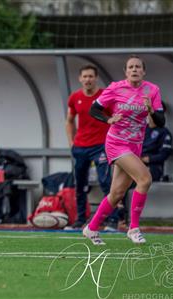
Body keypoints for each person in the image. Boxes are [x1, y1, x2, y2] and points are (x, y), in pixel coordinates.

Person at [83, 55, 165, 245]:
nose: (134, 69)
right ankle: (134, 228)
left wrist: (151, 110)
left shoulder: (152, 90)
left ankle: (91, 228)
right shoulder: (116, 88)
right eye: (131, 67)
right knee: (145, 179)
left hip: (135, 145)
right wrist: (108, 119)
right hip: (116, 143)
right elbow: (94, 109)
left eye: (138, 67)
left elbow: (161, 122)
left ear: (143, 71)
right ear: (126, 72)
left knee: (117, 193)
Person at [65, 65, 119, 231]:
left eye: (90, 76)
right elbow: (69, 120)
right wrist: (71, 142)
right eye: (85, 76)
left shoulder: (105, 96)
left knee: (105, 182)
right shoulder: (75, 97)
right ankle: (80, 219)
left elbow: (114, 116)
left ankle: (112, 220)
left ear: (96, 78)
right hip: (80, 147)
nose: (87, 79)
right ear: (80, 79)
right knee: (80, 184)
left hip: (101, 146)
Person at [141, 102, 172, 181]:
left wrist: (147, 159)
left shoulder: (164, 132)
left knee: (142, 176)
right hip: (137, 162)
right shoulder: (142, 129)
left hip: (153, 167)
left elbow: (164, 154)